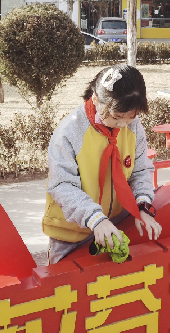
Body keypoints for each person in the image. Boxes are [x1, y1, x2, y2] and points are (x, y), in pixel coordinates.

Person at [43, 65, 162, 264]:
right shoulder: (69, 132)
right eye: (117, 117)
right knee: (67, 282)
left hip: (114, 224)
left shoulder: (133, 127)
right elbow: (62, 185)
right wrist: (95, 218)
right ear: (96, 99)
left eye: (131, 117)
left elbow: (140, 170)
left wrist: (143, 204)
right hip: (71, 233)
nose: (123, 124)